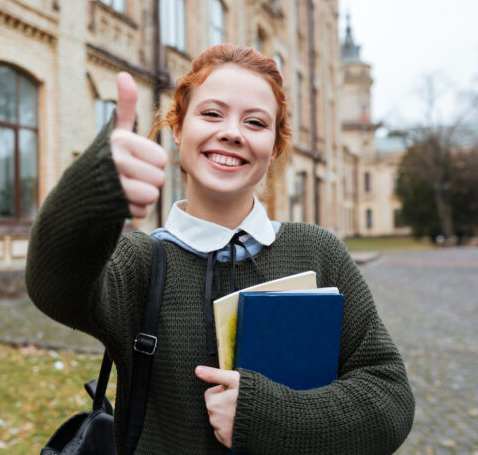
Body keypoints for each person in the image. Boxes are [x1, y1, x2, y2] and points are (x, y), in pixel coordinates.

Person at [26, 44, 415, 454]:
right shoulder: (141, 263)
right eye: (211, 114)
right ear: (177, 128)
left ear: (276, 146)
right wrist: (94, 187)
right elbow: (54, 283)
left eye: (255, 122)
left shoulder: (316, 252)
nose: (232, 132)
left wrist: (266, 418)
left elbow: (390, 398)